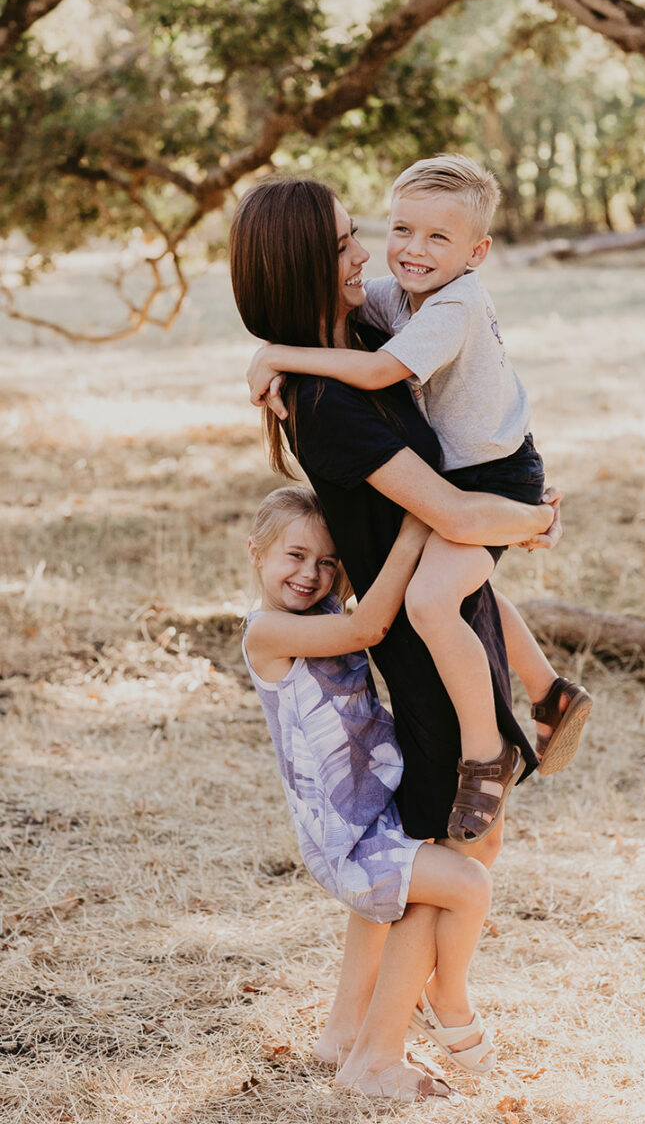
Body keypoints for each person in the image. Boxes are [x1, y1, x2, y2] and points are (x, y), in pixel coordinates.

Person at [229, 176, 560, 1101]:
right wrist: (528, 523)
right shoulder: (328, 402)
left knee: (426, 842)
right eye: (344, 245)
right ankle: (379, 1057)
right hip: (425, 645)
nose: (366, 254)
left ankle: (346, 1032)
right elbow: (446, 506)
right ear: (305, 264)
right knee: (450, 857)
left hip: (440, 619)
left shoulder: (362, 342)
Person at [243, 155, 592, 844]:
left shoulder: (454, 303)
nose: (401, 251)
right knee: (457, 586)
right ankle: (549, 689)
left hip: (492, 475)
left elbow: (373, 369)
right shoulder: (399, 298)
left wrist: (280, 353)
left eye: (438, 238)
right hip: (470, 482)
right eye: (399, 229)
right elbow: (346, 316)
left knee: (435, 598)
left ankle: (486, 752)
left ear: (476, 253)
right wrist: (273, 351)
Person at [243, 484, 499, 1100]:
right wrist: (416, 522)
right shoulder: (268, 632)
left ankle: (344, 1033)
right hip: (348, 839)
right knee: (468, 886)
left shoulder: (323, 609)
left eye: (329, 562)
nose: (312, 574)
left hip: (377, 811)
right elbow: (371, 623)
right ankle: (446, 1001)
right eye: (295, 556)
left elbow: (382, 593)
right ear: (256, 552)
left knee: (418, 896)